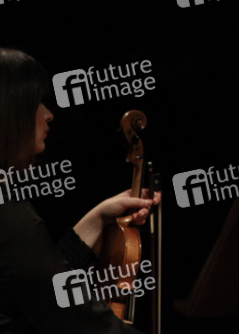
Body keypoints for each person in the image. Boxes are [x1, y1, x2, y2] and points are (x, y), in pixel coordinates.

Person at [0, 47, 159, 334]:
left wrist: (99, 217)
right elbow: (77, 317)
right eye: (36, 103)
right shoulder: (7, 214)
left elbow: (41, 285)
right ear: (11, 111)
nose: (48, 115)